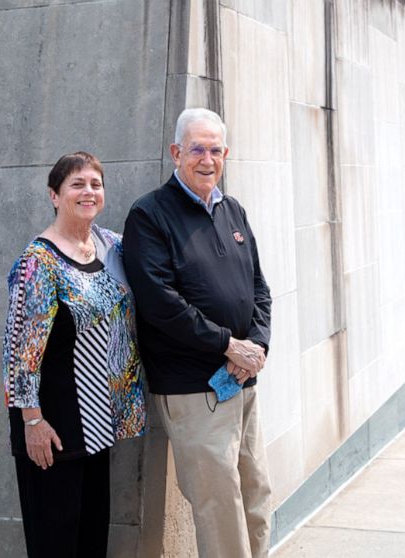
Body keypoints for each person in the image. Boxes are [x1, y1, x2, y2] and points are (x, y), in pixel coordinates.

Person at [122, 108, 272, 558]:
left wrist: (258, 346)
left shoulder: (233, 210)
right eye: (196, 149)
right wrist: (228, 344)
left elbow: (259, 288)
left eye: (215, 150)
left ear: (225, 154)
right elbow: (159, 303)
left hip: (242, 382)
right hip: (194, 389)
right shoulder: (149, 215)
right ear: (176, 152)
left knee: (256, 495)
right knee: (219, 506)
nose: (207, 159)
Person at [2, 151, 146, 558]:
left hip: (97, 426)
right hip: (53, 428)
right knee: (56, 543)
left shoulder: (109, 245)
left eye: (95, 184)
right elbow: (19, 353)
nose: (88, 191)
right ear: (54, 195)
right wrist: (32, 421)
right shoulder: (38, 262)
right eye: (77, 184)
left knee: (90, 541)